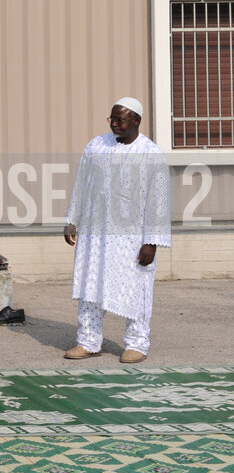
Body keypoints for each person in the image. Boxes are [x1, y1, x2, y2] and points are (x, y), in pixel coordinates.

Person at [63, 97, 170, 364]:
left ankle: (137, 343)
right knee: (91, 286)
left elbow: (158, 200)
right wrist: (72, 219)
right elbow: (82, 183)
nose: (113, 124)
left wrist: (152, 242)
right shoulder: (96, 146)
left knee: (137, 288)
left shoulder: (150, 153)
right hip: (96, 234)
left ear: (136, 120)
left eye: (119, 119)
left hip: (132, 237)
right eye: (111, 119)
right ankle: (88, 341)